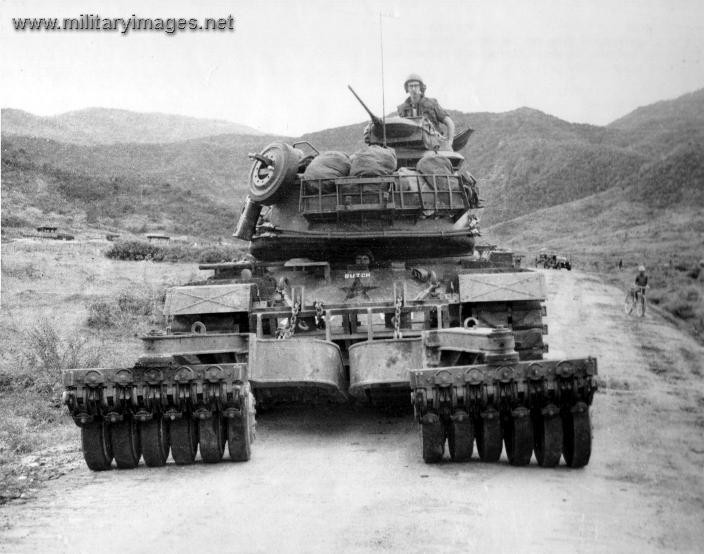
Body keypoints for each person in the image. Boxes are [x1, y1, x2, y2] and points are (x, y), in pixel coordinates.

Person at [397, 74, 455, 150]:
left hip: (434, 143)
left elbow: (449, 122)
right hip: (411, 146)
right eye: (411, 86)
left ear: (420, 87)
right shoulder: (402, 108)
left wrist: (450, 141)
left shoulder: (431, 103)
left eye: (416, 86)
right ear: (407, 88)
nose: (413, 89)